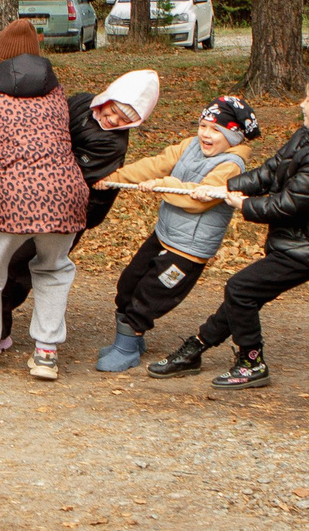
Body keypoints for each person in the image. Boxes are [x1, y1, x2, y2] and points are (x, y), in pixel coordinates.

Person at [151, 73, 309, 389]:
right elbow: (272, 171)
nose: (301, 104)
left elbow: (287, 204)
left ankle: (251, 362)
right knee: (246, 295)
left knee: (241, 289)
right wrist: (223, 186)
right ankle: (197, 348)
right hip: (293, 239)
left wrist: (243, 205)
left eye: (308, 99)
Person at [0, 60, 158, 352]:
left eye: (124, 120)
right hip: (32, 194)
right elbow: (46, 126)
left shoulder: (111, 144)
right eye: (113, 111)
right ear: (106, 99)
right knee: (2, 262)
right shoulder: (80, 103)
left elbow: (71, 174)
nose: (114, 120)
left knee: (20, 269)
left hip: (71, 209)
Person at [93, 96, 259, 373]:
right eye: (203, 125)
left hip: (188, 249)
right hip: (164, 234)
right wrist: (115, 178)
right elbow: (157, 163)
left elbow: (198, 200)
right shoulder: (190, 146)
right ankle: (130, 340)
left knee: (150, 295)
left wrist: (162, 185)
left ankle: (128, 346)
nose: (206, 134)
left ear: (234, 135)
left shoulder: (231, 166)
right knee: (129, 284)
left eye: (217, 130)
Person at [0, 48, 83, 379]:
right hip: (64, 193)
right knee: (53, 269)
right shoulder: (56, 95)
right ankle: (46, 354)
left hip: (8, 196)